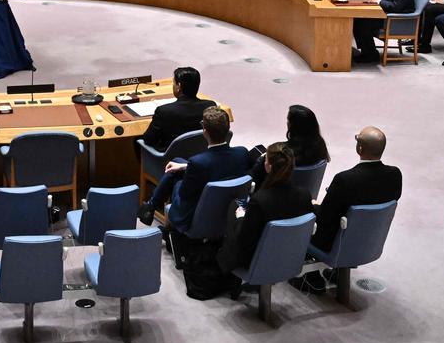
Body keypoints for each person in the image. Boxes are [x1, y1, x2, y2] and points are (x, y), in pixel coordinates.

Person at [138, 107, 252, 231]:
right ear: (228, 129)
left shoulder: (198, 162)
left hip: (197, 214)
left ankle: (153, 210)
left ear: (205, 131)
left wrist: (184, 172)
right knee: (177, 162)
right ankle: (150, 206)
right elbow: (219, 164)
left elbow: (184, 195)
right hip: (226, 207)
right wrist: (185, 166)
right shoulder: (242, 153)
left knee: (176, 178)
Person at [217, 143, 313, 272]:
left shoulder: (259, 201)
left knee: (235, 205)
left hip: (255, 258)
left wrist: (240, 217)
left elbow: (244, 239)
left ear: (268, 166)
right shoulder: (305, 195)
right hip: (289, 254)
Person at [312, 126, 402, 252]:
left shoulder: (344, 180)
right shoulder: (395, 175)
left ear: (360, 148)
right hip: (370, 240)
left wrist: (314, 205)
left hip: (336, 243)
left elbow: (324, 218)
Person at [140, 67, 217, 153]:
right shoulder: (210, 106)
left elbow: (149, 140)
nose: (172, 85)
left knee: (137, 141)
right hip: (201, 156)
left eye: (173, 82)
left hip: (170, 161)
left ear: (179, 86)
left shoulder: (164, 111)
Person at [251, 105, 330, 184]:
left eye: (288, 120)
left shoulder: (282, 153)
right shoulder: (320, 146)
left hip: (270, 190)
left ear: (293, 126)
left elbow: (255, 176)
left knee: (244, 153)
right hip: (302, 191)